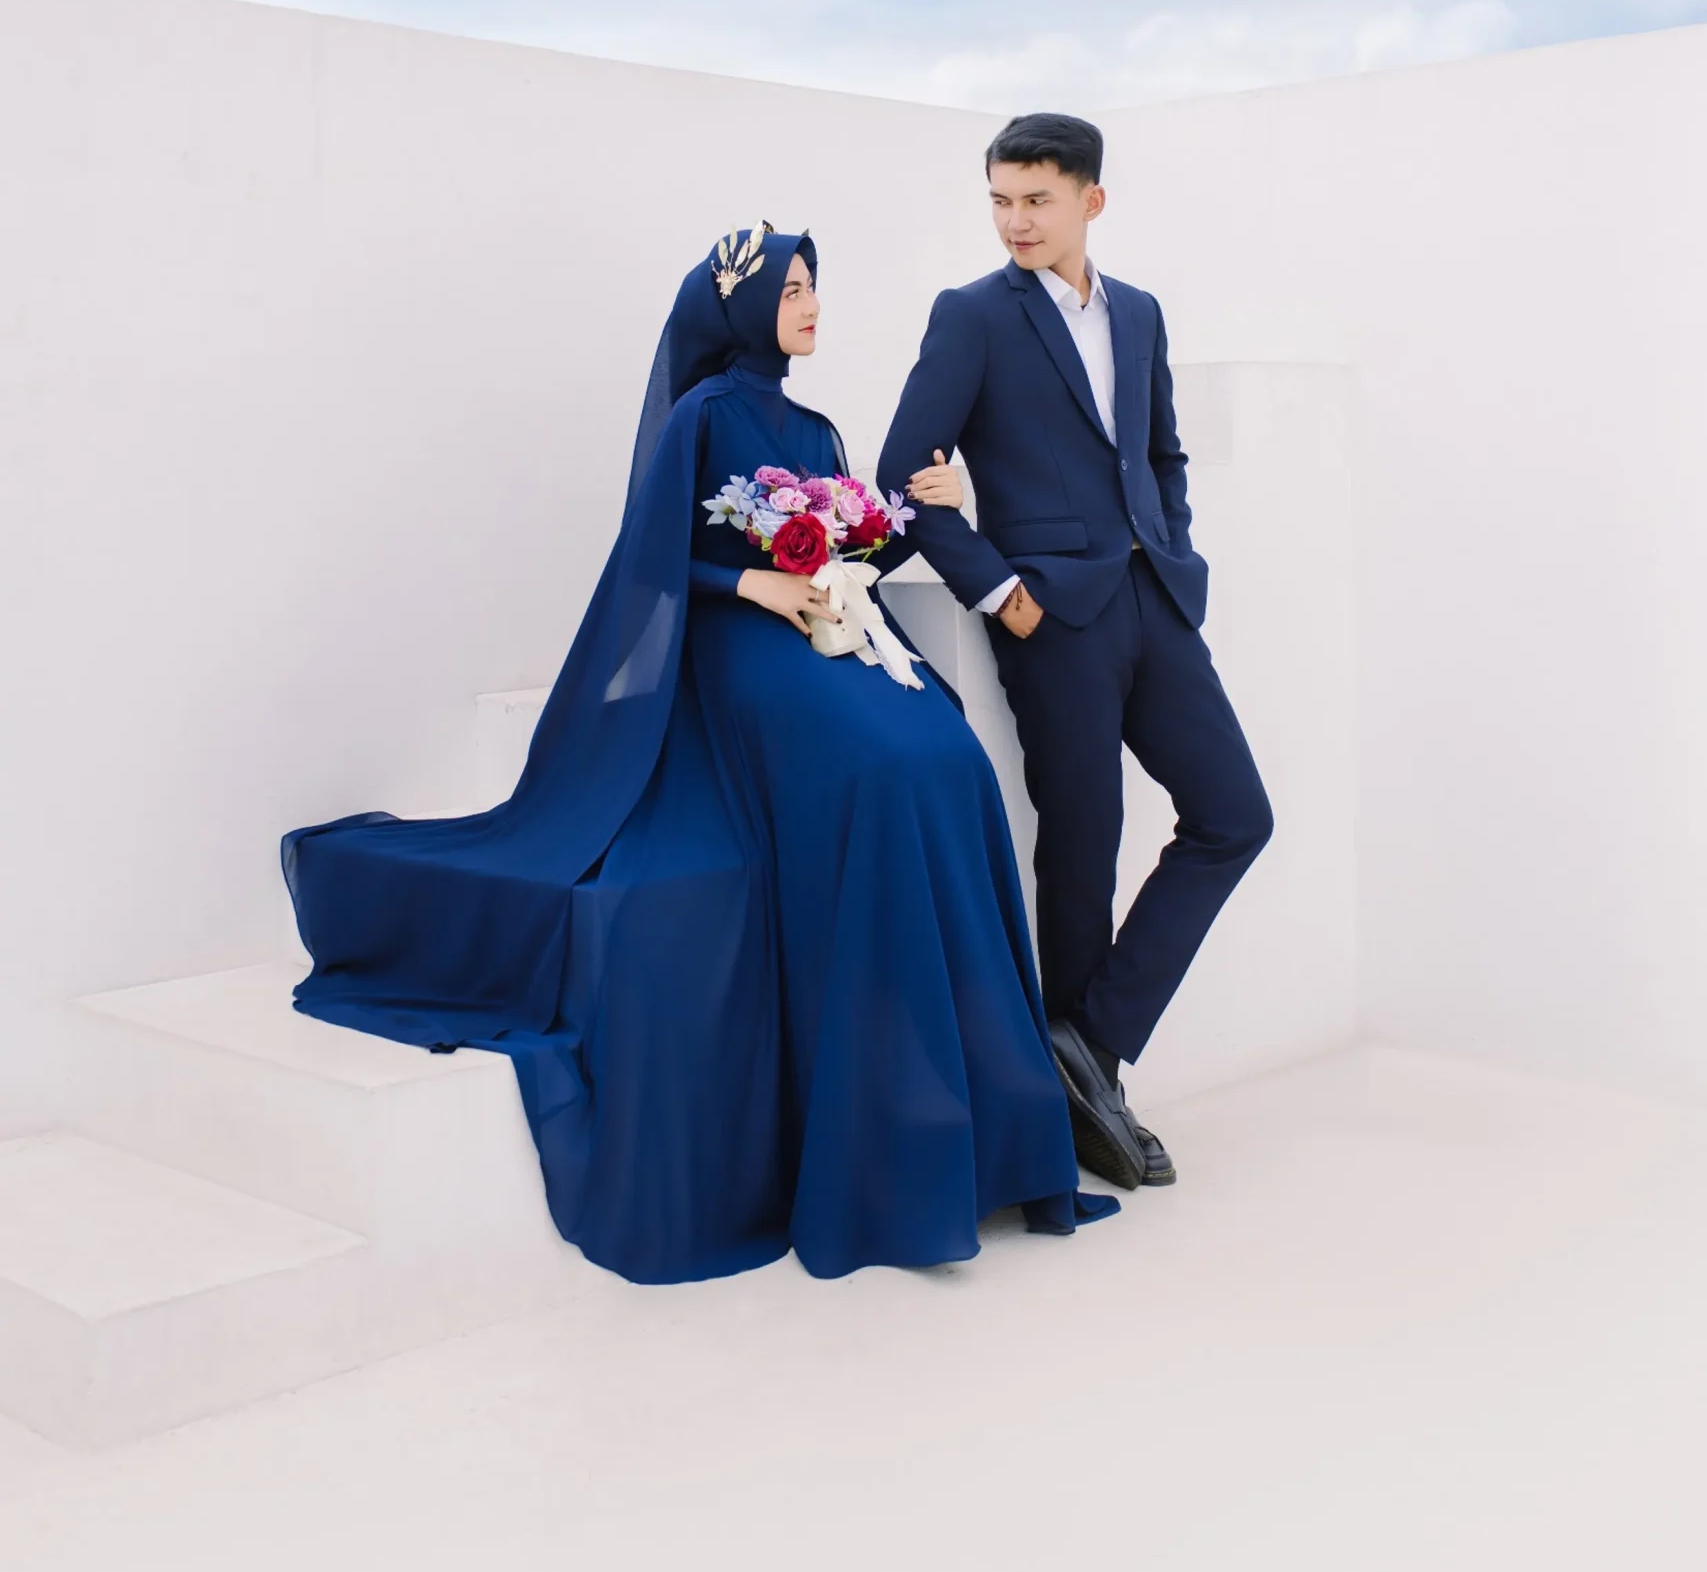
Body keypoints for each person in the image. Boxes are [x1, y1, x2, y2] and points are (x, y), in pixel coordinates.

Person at [283, 225, 1114, 1284]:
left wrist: (921, 513)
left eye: (815, 287)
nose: (812, 305)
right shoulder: (704, 415)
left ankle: (985, 1115)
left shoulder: (814, 427)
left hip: (822, 639)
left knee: (949, 758)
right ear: (742, 304)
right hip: (733, 648)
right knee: (882, 771)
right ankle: (894, 1121)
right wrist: (747, 581)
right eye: (793, 289)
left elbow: (852, 546)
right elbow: (649, 554)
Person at [876, 115, 1273, 1191]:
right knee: (1084, 843)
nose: (1015, 221)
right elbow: (904, 472)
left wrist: (1172, 547)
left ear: (1090, 201)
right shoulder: (972, 315)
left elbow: (1160, 451)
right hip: (1052, 615)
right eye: (1001, 200)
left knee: (1235, 815)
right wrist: (1001, 592)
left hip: (1155, 599)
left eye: (1037, 200)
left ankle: (1086, 1046)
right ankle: (1093, 1102)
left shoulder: (1137, 313)